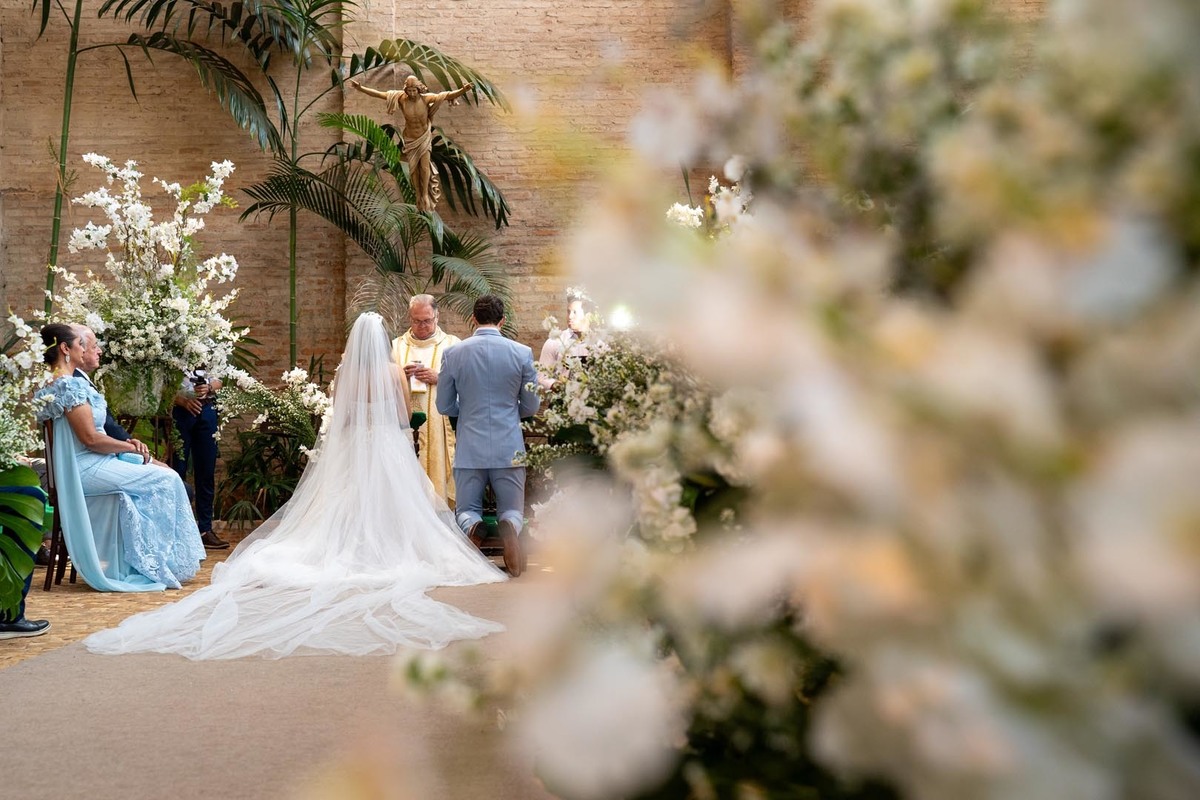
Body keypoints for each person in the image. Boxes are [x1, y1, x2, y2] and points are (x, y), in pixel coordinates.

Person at [85, 313, 506, 659]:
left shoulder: (344, 373)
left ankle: (351, 548)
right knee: (394, 502)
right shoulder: (394, 371)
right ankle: (386, 547)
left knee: (344, 501)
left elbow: (339, 420)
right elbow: (400, 417)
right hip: (386, 447)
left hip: (355, 446)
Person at [33, 323, 205, 591]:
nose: (87, 349)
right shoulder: (68, 386)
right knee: (167, 480)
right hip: (86, 467)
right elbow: (90, 439)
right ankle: (154, 563)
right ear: (66, 349)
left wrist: (127, 446)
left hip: (87, 463)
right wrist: (129, 448)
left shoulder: (56, 383)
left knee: (160, 474)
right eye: (81, 345)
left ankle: (146, 558)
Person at [437, 295, 540, 577]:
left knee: (466, 508)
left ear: (473, 318)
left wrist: (468, 410)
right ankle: (509, 525)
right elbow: (531, 405)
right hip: (509, 445)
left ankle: (473, 526)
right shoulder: (522, 352)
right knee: (513, 509)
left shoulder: (453, 353)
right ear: (502, 320)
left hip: (470, 445)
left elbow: (444, 406)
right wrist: (509, 412)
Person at [347, 74, 473, 213]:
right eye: (409, 90)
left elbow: (447, 95)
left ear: (419, 89)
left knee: (424, 167)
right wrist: (361, 88)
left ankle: (425, 195)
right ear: (406, 90)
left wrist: (464, 89)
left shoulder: (426, 99)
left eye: (414, 90)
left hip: (423, 138)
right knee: (413, 168)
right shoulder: (401, 98)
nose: (412, 93)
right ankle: (418, 194)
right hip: (410, 138)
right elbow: (379, 94)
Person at [392, 294, 461, 505]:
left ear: (437, 317)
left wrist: (439, 378)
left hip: (438, 424)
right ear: (409, 318)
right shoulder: (396, 346)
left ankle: (439, 510)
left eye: (426, 320)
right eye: (416, 320)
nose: (421, 326)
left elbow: (467, 382)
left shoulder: (453, 345)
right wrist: (399, 376)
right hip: (401, 424)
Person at [172, 367, 230, 549]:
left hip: (207, 410)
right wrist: (182, 401)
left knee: (206, 471)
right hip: (180, 411)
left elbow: (220, 380)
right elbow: (160, 384)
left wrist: (209, 388)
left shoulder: (212, 346)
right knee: (177, 471)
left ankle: (205, 529)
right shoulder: (171, 344)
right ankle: (175, 530)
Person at [537, 291, 593, 390]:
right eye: (568, 312)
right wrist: (556, 385)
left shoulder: (600, 344)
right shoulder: (554, 342)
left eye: (575, 312)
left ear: (588, 315)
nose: (570, 317)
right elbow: (541, 377)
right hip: (562, 400)